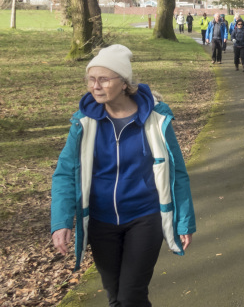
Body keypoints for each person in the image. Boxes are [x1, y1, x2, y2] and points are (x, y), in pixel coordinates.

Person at [51, 44, 196, 307]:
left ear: (124, 83)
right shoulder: (83, 123)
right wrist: (61, 221)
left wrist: (184, 221)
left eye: (103, 79)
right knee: (115, 295)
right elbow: (64, 174)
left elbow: (177, 174)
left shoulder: (155, 119)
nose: (95, 86)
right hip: (100, 221)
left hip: (144, 217)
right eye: (91, 79)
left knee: (131, 296)